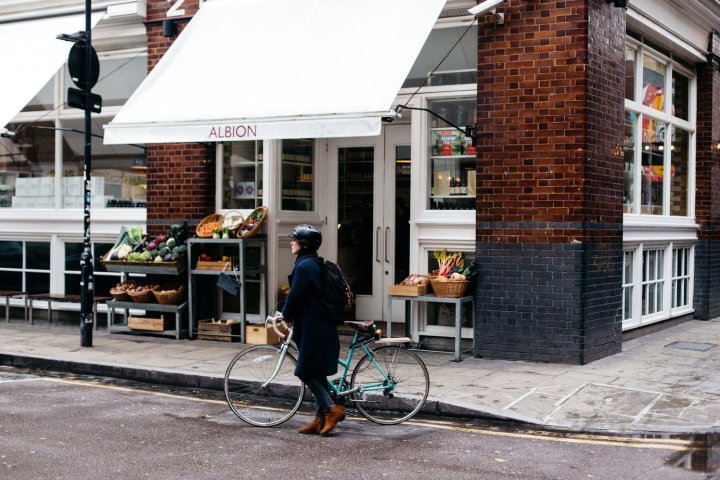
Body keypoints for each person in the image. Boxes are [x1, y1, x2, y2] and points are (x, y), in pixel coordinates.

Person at [280, 224, 344, 435]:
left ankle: (331, 409)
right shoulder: (311, 262)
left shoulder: (305, 266)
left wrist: (285, 315)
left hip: (315, 327)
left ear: (303, 243)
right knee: (317, 372)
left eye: (295, 239)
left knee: (305, 371)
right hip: (318, 325)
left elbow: (295, 295)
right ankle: (319, 420)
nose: (291, 242)